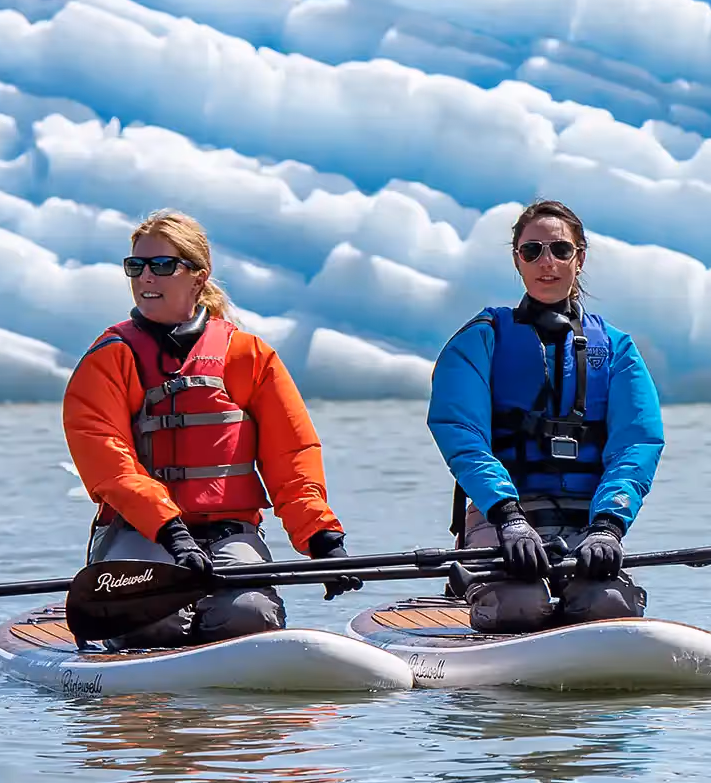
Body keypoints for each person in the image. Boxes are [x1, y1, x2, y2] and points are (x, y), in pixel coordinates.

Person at [62, 209, 355, 646]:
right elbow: (109, 462)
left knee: (249, 618)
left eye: (162, 266)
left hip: (228, 532)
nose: (146, 278)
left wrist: (322, 539)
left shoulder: (248, 355)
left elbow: (291, 457)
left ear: (199, 277)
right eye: (136, 266)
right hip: (141, 532)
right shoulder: (109, 357)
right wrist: (171, 532)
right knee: (151, 623)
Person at [428, 200, 665, 633]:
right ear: (517, 260)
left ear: (580, 257)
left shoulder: (616, 348)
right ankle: (476, 580)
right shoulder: (481, 338)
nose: (547, 263)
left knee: (606, 606)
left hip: (586, 518)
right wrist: (509, 517)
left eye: (560, 249)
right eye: (532, 251)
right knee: (520, 608)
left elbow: (638, 445)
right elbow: (461, 434)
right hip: (502, 516)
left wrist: (608, 526)